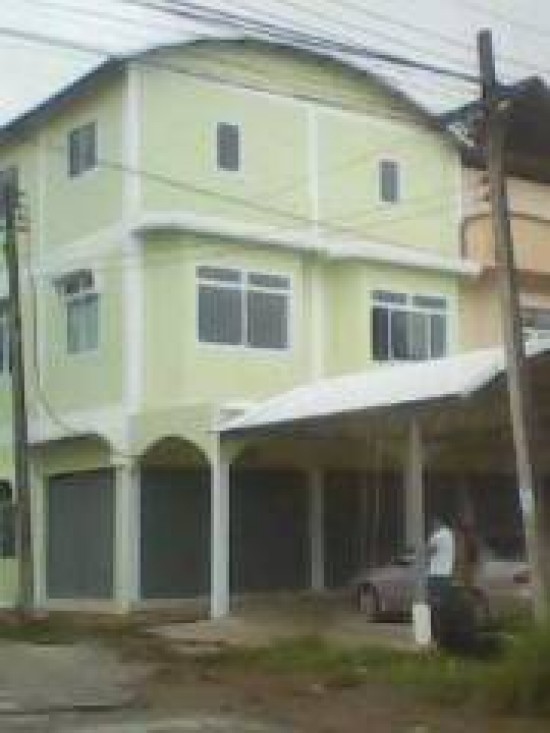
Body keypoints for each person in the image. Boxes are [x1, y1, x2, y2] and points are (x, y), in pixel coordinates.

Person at [427, 516, 455, 605]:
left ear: (437, 521)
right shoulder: (450, 534)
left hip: (435, 575)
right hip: (447, 575)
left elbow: (428, 552)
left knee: (430, 602)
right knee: (443, 604)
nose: (431, 525)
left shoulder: (437, 536)